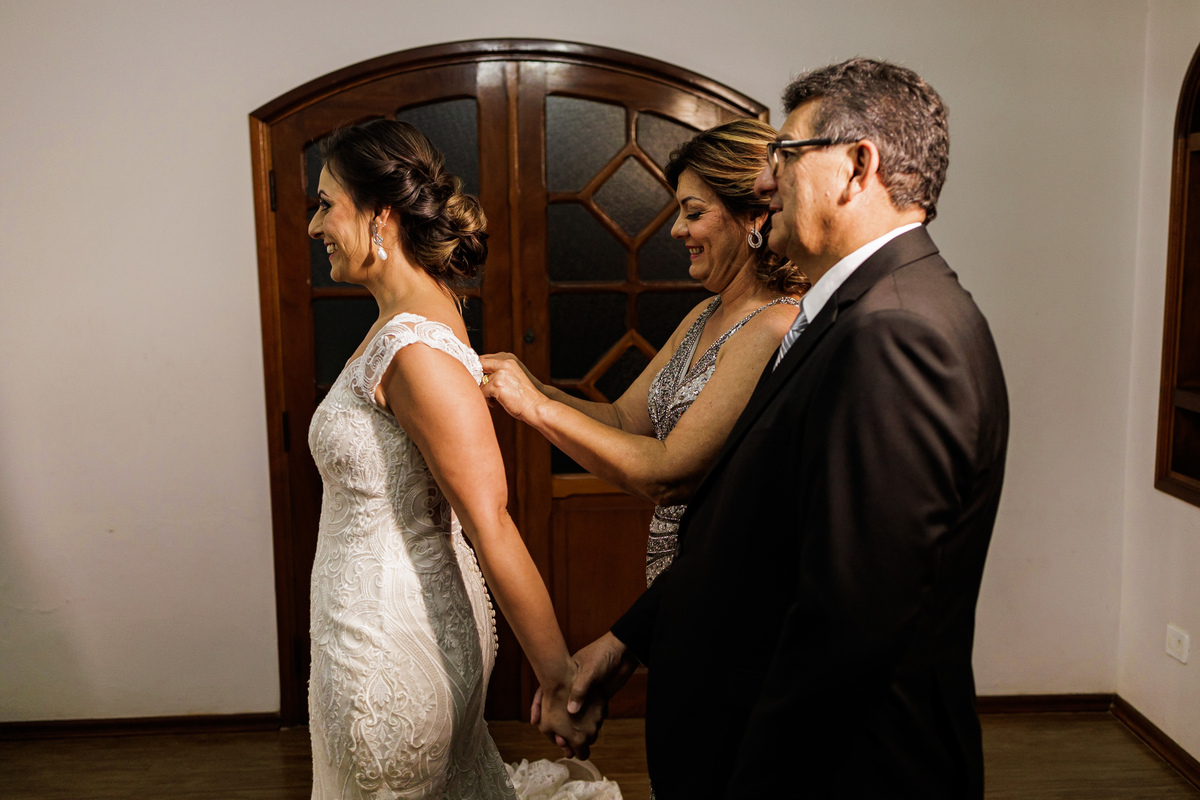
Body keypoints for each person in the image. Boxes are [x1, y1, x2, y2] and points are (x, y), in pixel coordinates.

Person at [563, 58, 1010, 799]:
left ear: (857, 166)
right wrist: (627, 642)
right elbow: (755, 532)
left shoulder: (896, 332)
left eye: (787, 154)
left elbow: (849, 625)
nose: (766, 181)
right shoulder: (848, 313)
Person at [304, 119, 596, 799]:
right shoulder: (403, 323)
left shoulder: (415, 347)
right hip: (368, 626)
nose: (315, 226)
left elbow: (490, 520)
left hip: (387, 649)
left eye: (325, 204)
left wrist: (561, 683)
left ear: (380, 214)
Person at [480, 119, 806, 587]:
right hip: (674, 571)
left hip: (725, 575)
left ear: (754, 216)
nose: (676, 230)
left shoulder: (773, 326)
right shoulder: (705, 314)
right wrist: (530, 385)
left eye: (693, 213)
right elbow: (622, 421)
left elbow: (666, 473)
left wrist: (535, 407)